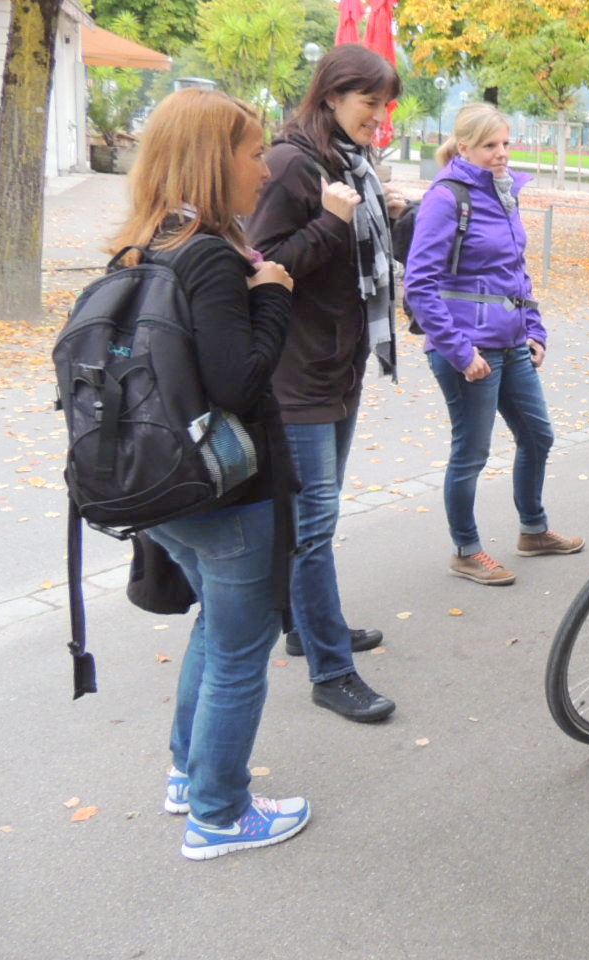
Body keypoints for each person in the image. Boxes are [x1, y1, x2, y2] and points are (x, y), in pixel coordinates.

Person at [108, 88, 310, 859]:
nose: (265, 169)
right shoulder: (212, 257)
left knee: (217, 630)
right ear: (211, 160)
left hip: (162, 485)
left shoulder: (143, 245)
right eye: (254, 153)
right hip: (227, 493)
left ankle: (188, 776)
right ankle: (219, 814)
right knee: (239, 650)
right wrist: (275, 297)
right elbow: (239, 382)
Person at [248, 43, 403, 725]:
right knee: (314, 527)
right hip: (299, 374)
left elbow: (355, 261)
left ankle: (305, 625)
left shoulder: (349, 163)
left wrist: (384, 214)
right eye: (370, 102)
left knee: (314, 516)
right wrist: (331, 222)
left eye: (384, 105)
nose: (379, 116)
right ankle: (331, 670)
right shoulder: (291, 163)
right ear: (333, 94)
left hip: (339, 365)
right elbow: (263, 264)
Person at [405, 103, 583, 584]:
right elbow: (419, 285)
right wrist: (461, 353)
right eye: (490, 145)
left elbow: (515, 271)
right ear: (463, 147)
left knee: (538, 435)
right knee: (472, 454)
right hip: (468, 350)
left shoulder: (504, 193)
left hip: (511, 343)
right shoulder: (447, 197)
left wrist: (535, 329)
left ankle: (533, 531)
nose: (502, 153)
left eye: (505, 142)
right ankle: (466, 550)